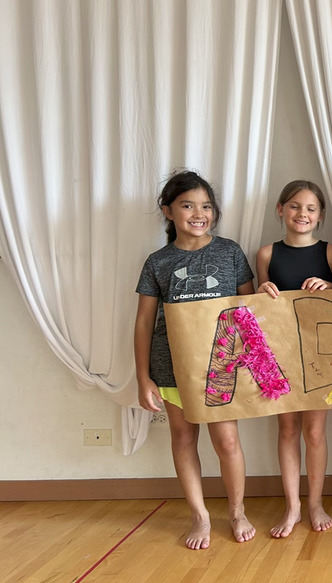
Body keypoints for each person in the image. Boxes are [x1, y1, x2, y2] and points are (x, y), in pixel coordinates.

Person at [134, 170, 257, 550]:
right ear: (168, 211)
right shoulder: (158, 262)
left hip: (221, 365)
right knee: (183, 438)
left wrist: (252, 364)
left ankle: (236, 511)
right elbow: (143, 321)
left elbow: (247, 309)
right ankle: (200, 516)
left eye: (206, 206)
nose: (198, 213)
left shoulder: (230, 251)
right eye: (187, 205)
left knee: (227, 440)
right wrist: (143, 377)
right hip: (170, 367)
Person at [256, 180, 332, 538]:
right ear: (280, 209)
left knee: (315, 432)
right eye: (294, 206)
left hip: (320, 355)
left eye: (310, 208)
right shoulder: (265, 254)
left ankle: (315, 502)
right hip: (279, 353)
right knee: (287, 429)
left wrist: (331, 288)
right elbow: (256, 309)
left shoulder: (330, 252)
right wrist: (263, 291)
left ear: (320, 215)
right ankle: (292, 505)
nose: (301, 214)